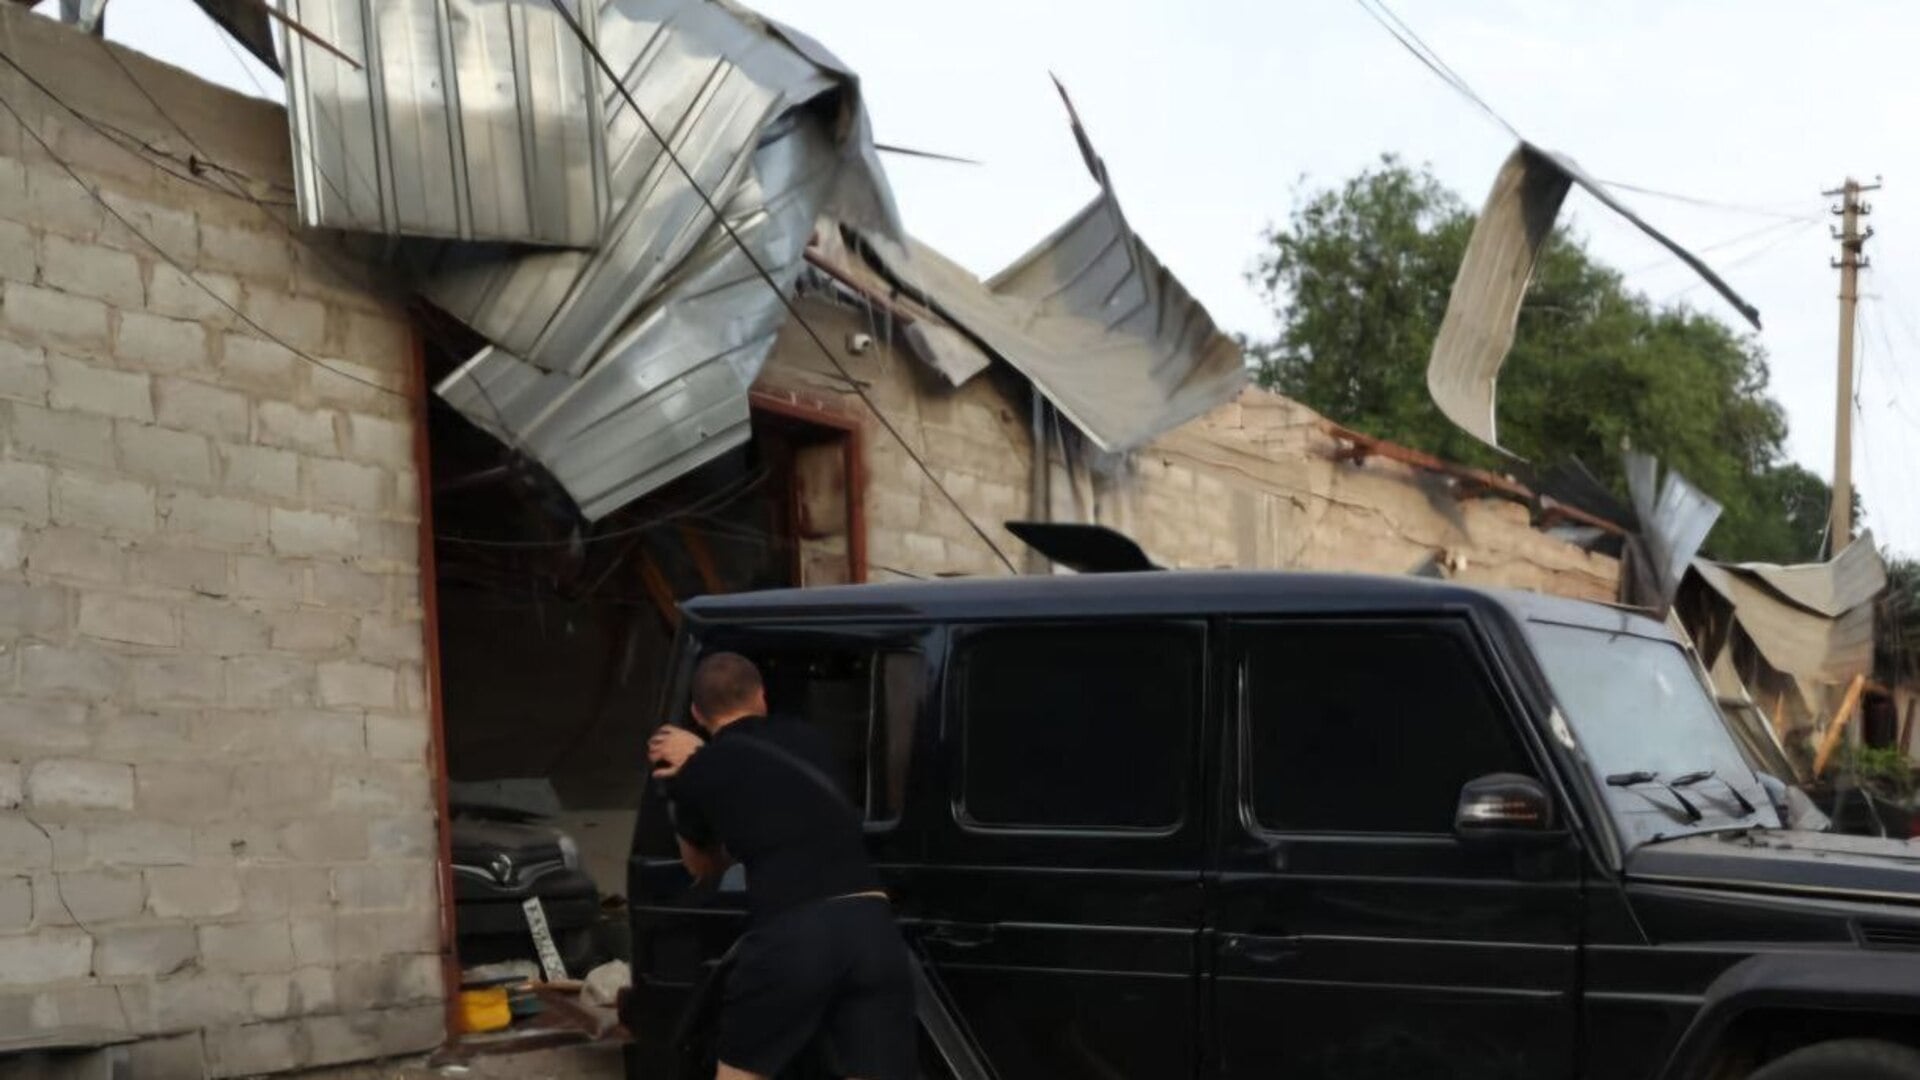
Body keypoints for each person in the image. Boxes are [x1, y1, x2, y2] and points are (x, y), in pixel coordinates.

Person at [648, 652, 915, 1080]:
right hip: (872, 926)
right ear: (762, 697)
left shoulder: (701, 769)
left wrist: (692, 775)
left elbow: (703, 867)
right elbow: (783, 800)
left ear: (696, 713)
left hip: (795, 932)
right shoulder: (810, 739)